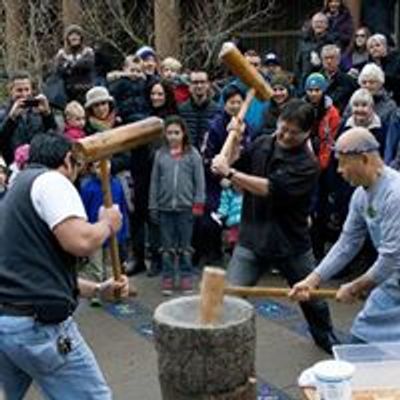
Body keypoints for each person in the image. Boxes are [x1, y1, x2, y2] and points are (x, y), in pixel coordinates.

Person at [0, 133, 129, 399]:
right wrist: (107, 224)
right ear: (68, 160)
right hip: (37, 329)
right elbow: (80, 241)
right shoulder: (51, 181)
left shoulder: (18, 186)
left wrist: (97, 289)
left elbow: (38, 273)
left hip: (9, 324)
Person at [211, 99, 338, 353]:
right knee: (231, 297)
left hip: (291, 243)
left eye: (294, 132)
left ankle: (326, 339)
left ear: (306, 133)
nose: (286, 135)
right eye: (283, 127)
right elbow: (236, 162)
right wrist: (235, 138)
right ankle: (221, 348)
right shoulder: (263, 143)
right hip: (252, 238)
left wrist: (230, 173)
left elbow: (269, 188)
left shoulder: (307, 165)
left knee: (311, 299)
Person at [290, 127, 400, 344]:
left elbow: (391, 257)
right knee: (361, 338)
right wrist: (313, 279)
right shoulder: (360, 195)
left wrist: (356, 287)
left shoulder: (395, 194)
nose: (339, 170)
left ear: (364, 159)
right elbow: (348, 242)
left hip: (392, 274)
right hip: (392, 284)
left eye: (342, 162)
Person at [149, 116, 205, 295]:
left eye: (176, 133)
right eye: (169, 133)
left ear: (183, 134)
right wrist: (153, 205)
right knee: (167, 247)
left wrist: (199, 202)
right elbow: (154, 182)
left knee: (185, 247)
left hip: (186, 208)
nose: (173, 136)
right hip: (165, 208)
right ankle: (168, 277)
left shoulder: (193, 154)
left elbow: (200, 181)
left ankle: (186, 276)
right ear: (164, 134)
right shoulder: (160, 155)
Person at [80, 160, 130, 305]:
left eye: (106, 164)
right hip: (94, 233)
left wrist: (124, 231)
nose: (102, 169)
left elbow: (123, 209)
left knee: (111, 265)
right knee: (96, 266)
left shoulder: (116, 185)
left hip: (113, 234)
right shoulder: (88, 188)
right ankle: (95, 292)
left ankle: (114, 291)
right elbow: (83, 212)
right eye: (97, 166)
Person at [0, 71, 57, 165]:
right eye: (19, 90)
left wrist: (47, 115)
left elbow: (54, 136)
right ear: (11, 91)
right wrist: (11, 119)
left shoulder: (38, 112)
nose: (24, 94)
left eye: (27, 89)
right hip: (13, 166)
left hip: (38, 164)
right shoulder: (3, 113)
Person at [54, 24, 95, 104]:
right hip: (68, 90)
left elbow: (87, 65)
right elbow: (59, 70)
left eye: (77, 34)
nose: (74, 37)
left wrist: (70, 65)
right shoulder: (62, 54)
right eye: (71, 35)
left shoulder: (88, 51)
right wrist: (73, 66)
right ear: (67, 38)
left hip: (86, 88)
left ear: (81, 37)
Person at [179, 70, 219, 150]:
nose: (199, 86)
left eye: (202, 82)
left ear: (208, 84)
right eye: (195, 82)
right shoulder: (181, 110)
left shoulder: (217, 110)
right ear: (190, 85)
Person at [296, 12, 336, 91]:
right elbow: (298, 63)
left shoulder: (332, 41)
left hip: (324, 83)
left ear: (326, 25)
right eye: (316, 22)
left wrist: (320, 64)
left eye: (321, 22)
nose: (319, 25)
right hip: (304, 82)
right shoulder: (304, 40)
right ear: (312, 24)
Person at [107, 55, 150, 124]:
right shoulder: (120, 82)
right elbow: (114, 99)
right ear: (124, 69)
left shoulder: (142, 82)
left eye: (138, 71)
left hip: (142, 112)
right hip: (126, 114)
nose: (135, 74)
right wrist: (117, 114)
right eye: (132, 70)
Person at [320, 44, 357, 114]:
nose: (329, 61)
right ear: (322, 60)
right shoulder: (316, 78)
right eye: (326, 58)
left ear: (338, 60)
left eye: (332, 58)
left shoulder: (348, 80)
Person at [366, 34, 400, 105]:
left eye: (378, 45)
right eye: (371, 47)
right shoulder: (369, 64)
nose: (374, 48)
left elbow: (390, 76)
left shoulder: (396, 59)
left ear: (385, 46)